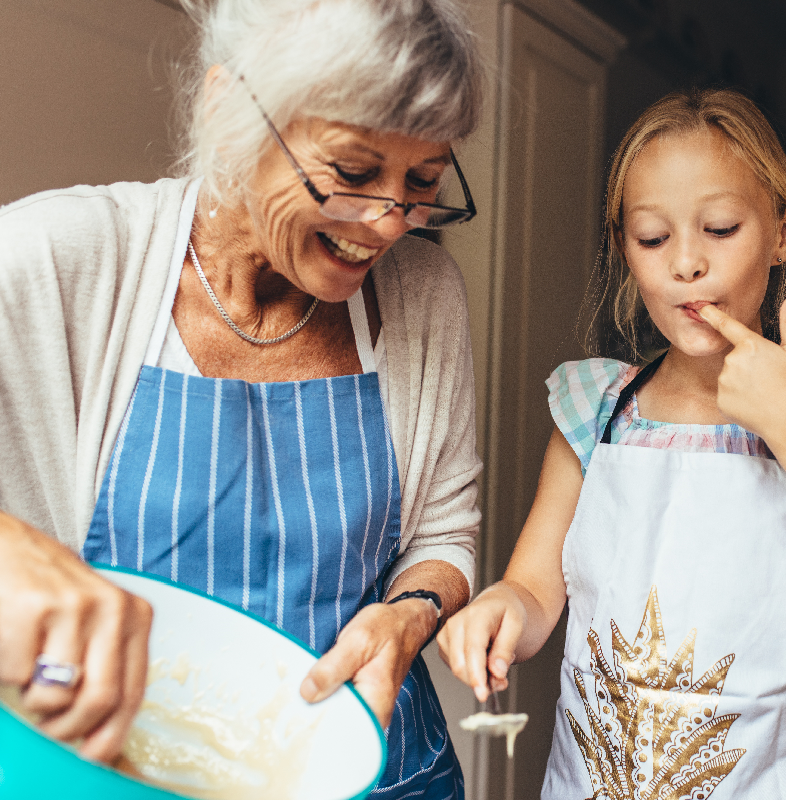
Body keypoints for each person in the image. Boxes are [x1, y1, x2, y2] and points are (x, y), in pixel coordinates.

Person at [0, 0, 484, 795]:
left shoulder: (425, 294)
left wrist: (411, 614)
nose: (390, 223)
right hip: (119, 771)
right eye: (355, 173)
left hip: (384, 775)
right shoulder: (61, 259)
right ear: (230, 110)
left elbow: (446, 526)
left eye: (422, 182)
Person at [437, 88, 786, 798]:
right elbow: (534, 590)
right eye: (653, 237)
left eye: (719, 228)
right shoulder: (596, 409)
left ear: (784, 231)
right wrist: (503, 610)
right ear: (627, 249)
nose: (686, 263)